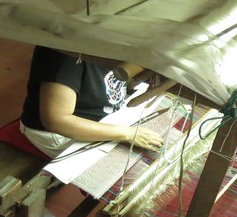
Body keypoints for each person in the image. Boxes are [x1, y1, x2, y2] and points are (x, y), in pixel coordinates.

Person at [20, 46, 164, 158]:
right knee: (129, 169)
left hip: (106, 116)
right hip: (60, 134)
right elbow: (57, 121)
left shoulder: (118, 43)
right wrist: (126, 133)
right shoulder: (66, 54)